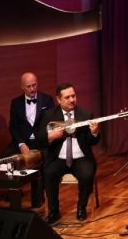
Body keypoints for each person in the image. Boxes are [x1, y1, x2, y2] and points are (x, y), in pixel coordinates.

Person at [38, 83, 100, 224]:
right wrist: (50, 136)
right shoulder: (49, 115)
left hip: (81, 158)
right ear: (58, 99)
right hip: (58, 158)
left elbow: (92, 142)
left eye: (73, 96)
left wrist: (94, 132)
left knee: (87, 174)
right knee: (48, 173)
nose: (72, 100)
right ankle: (54, 211)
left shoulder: (85, 114)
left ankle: (81, 208)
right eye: (67, 97)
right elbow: (40, 139)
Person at [3, 72, 54, 158]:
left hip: (41, 141)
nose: (32, 89)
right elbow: (13, 126)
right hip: (24, 141)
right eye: (28, 86)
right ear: (22, 87)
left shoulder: (47, 100)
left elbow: (52, 123)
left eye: (34, 85)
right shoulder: (16, 103)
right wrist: (21, 143)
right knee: (5, 156)